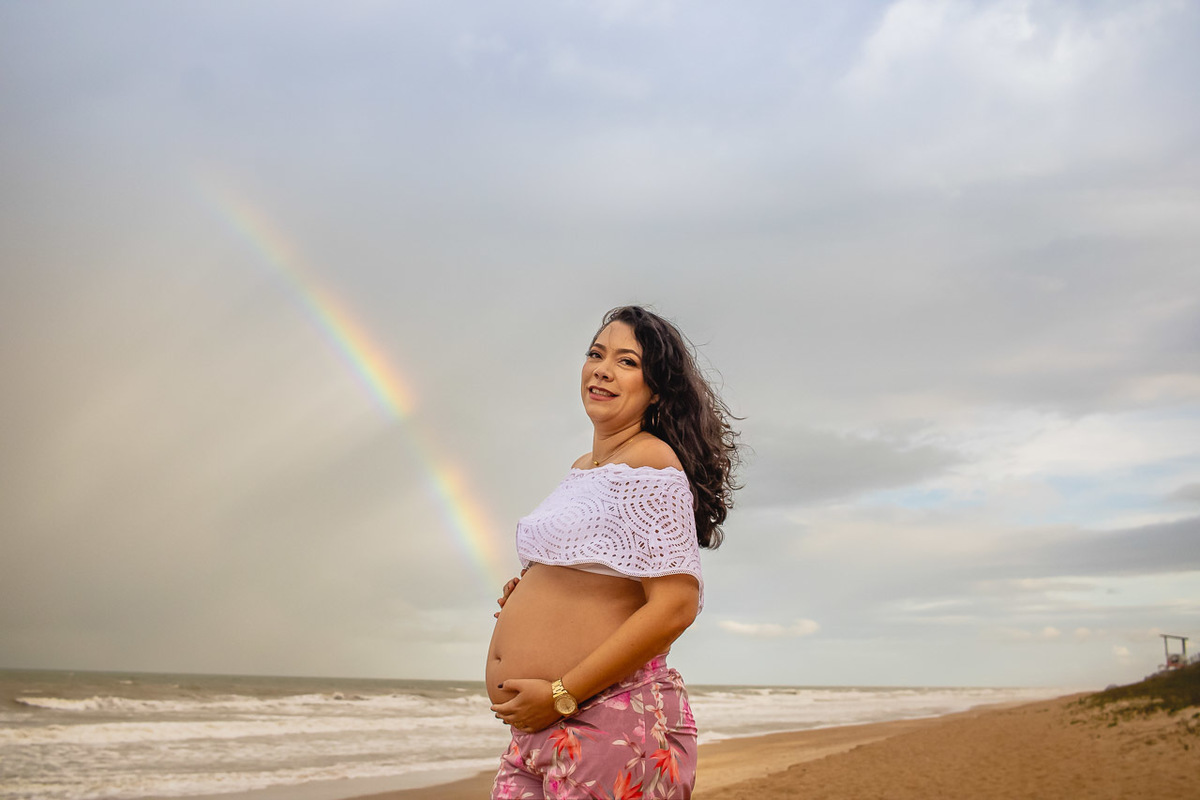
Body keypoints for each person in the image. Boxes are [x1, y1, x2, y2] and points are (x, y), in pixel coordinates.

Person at [486, 305, 740, 799]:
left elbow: (675, 605)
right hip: (539, 730)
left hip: (608, 719)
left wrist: (563, 695)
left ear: (657, 389)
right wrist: (530, 594)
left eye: (627, 361)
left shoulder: (651, 461)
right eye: (596, 354)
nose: (602, 368)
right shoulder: (585, 467)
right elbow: (598, 574)